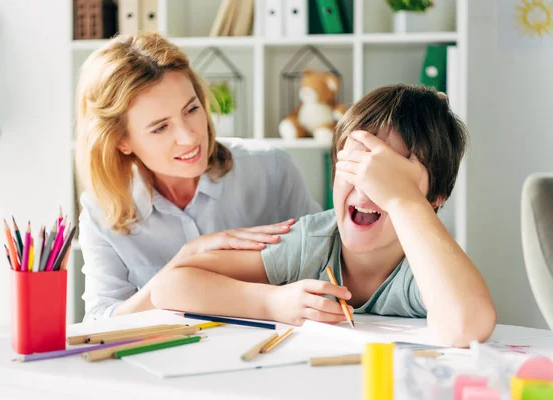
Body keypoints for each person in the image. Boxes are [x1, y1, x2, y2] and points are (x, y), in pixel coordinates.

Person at [148, 84, 497, 348]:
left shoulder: (425, 258)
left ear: (434, 197)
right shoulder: (311, 241)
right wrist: (272, 302)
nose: (366, 186)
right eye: (354, 162)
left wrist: (403, 200)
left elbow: (465, 326)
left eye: (390, 174)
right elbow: (168, 287)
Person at [74, 32, 321, 320]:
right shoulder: (101, 212)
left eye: (191, 109)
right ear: (121, 141)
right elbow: (99, 322)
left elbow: (324, 262)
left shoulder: (271, 169)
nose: (189, 136)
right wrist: (182, 264)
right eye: (160, 128)